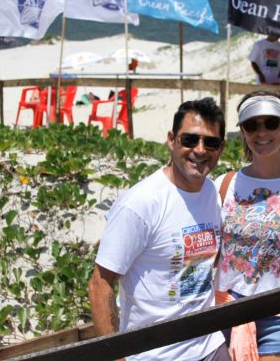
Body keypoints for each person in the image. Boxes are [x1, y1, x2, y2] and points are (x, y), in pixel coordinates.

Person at [88, 97, 230, 360]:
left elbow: (198, 267)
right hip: (154, 354)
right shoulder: (140, 203)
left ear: (221, 148)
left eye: (210, 142)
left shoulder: (211, 192)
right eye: (190, 139)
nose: (200, 150)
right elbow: (100, 284)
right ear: (172, 140)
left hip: (208, 344)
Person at [215, 89, 280, 361]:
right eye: (251, 125)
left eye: (271, 123)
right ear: (242, 131)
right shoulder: (224, 183)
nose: (261, 132)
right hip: (225, 307)